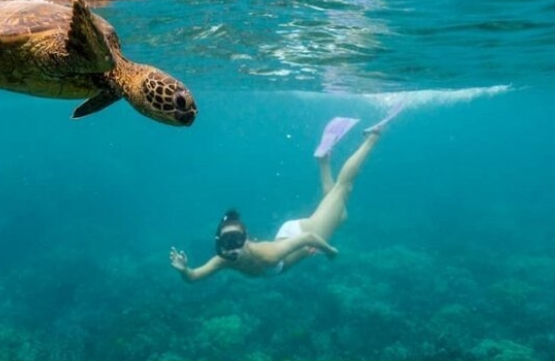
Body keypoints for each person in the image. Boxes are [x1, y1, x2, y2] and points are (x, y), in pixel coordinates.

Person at [169, 107, 402, 282]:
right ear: (218, 244)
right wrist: (184, 270)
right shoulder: (224, 260)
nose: (233, 248)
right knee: (340, 215)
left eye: (237, 240)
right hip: (289, 237)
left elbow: (308, 239)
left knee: (343, 190)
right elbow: (194, 277)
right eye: (227, 242)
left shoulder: (268, 255)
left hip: (301, 234)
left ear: (247, 238)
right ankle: (323, 161)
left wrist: (329, 251)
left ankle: (373, 136)